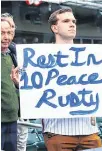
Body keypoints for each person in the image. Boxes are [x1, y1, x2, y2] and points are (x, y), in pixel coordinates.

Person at [42, 8, 102, 151]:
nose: (72, 24)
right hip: (58, 131)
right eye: (66, 21)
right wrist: (21, 84)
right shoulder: (41, 57)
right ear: (54, 27)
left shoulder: (91, 57)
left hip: (89, 130)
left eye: (74, 21)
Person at [2, 12, 29, 151]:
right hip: (4, 115)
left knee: (18, 146)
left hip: (17, 113)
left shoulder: (16, 52)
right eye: (2, 32)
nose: (7, 36)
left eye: (11, 29)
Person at [1, 18, 19, 151]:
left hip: (12, 118)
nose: (6, 37)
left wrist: (18, 84)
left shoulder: (13, 56)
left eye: (9, 33)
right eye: (2, 33)